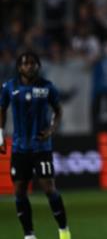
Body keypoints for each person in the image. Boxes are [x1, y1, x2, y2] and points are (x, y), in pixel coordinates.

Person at [0, 52, 71, 239]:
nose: (29, 66)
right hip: (19, 148)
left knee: (49, 188)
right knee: (19, 191)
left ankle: (64, 230)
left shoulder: (47, 87)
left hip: (41, 147)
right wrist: (0, 136)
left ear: (38, 66)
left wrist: (51, 129)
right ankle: (29, 235)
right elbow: (2, 110)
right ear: (19, 67)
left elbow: (58, 111)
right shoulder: (9, 87)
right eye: (25, 63)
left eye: (32, 63)